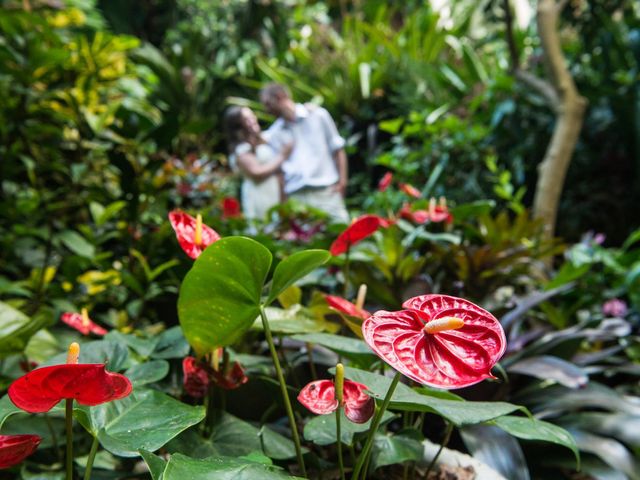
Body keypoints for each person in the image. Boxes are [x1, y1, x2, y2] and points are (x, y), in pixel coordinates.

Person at [259, 83, 350, 223]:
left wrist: (342, 182)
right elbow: (280, 173)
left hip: (326, 190)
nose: (266, 110)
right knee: (308, 243)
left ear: (280, 97)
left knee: (343, 233)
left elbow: (337, 149)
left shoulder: (318, 115)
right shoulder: (274, 133)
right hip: (296, 196)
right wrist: (284, 205)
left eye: (268, 104)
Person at [223, 106, 293, 221]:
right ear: (238, 126)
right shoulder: (241, 150)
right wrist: (282, 156)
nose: (253, 120)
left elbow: (282, 126)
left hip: (276, 192)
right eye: (246, 119)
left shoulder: (265, 137)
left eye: (252, 116)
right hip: (259, 193)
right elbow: (256, 173)